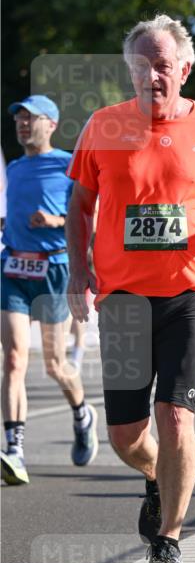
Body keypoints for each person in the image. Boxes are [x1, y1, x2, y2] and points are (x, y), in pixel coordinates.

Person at [66, 14, 195, 563]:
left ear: (186, 68)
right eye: (141, 66)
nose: (152, 75)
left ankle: (168, 541)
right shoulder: (103, 126)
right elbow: (79, 206)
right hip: (122, 298)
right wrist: (80, 269)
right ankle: (156, 476)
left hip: (189, 292)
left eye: (163, 65)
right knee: (126, 437)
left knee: (175, 415)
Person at [1, 95, 98, 486]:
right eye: (19, 119)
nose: (24, 125)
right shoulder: (16, 167)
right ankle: (14, 450)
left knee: (55, 364)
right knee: (13, 360)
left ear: (52, 124)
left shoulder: (68, 165)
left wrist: (55, 219)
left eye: (32, 119)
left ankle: (82, 413)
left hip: (54, 270)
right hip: (13, 269)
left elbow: (86, 217)